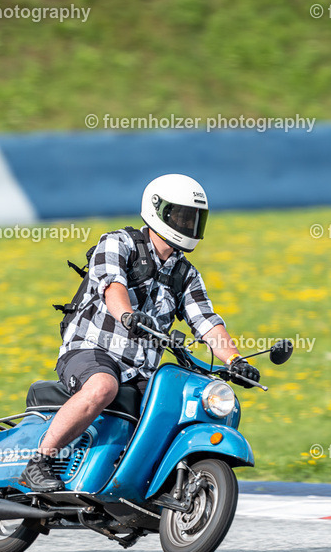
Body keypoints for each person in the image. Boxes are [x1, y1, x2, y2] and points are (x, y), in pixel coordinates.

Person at [19, 174, 261, 492]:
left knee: (178, 405)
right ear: (157, 210)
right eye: (182, 216)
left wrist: (234, 361)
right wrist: (127, 316)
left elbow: (206, 321)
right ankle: (39, 462)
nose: (188, 224)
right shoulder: (118, 243)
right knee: (103, 385)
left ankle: (148, 484)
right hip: (90, 350)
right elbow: (112, 287)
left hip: (139, 370)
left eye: (194, 218)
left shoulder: (185, 274)